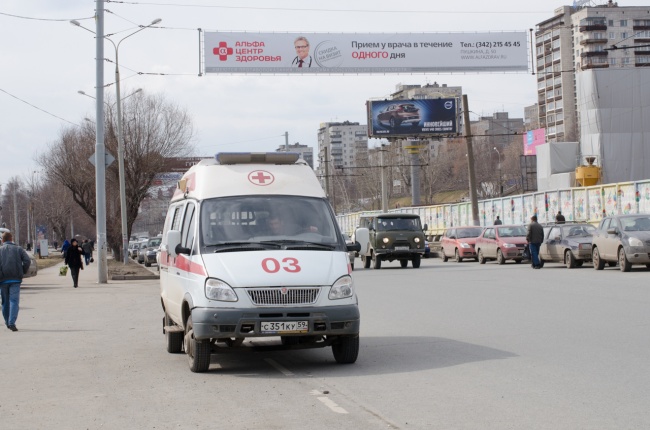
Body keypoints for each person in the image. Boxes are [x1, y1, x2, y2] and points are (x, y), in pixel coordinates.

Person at [0, 231, 31, 332]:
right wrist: (22, 271)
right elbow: (27, 260)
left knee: (5, 302)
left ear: (2, 240)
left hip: (3, 279)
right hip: (15, 279)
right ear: (11, 239)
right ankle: (11, 322)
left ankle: (7, 322)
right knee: (13, 301)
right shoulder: (18, 249)